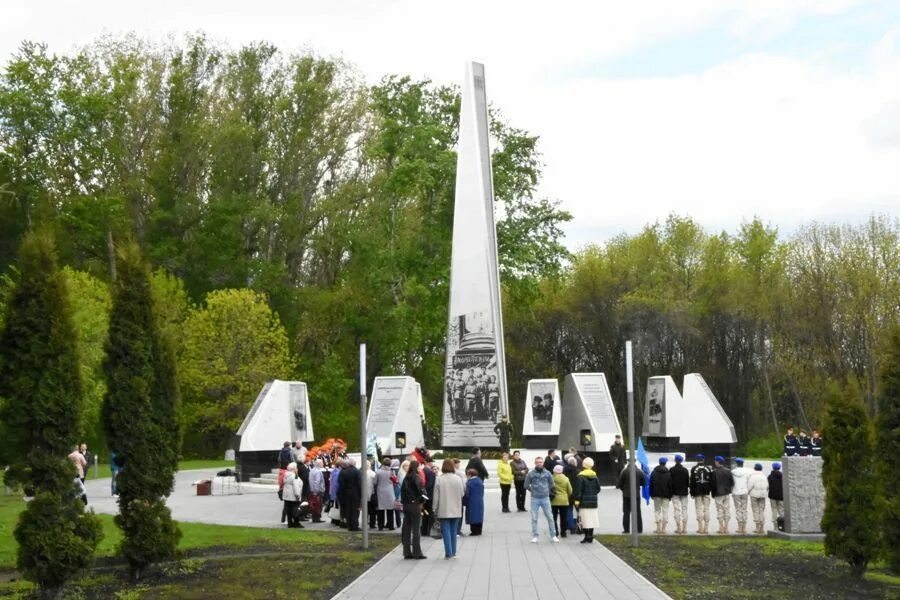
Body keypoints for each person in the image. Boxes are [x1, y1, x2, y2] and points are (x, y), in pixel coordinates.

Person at [433, 459, 464, 559]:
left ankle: (449, 553)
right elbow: (462, 493)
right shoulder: (458, 478)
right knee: (454, 531)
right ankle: (453, 552)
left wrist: (434, 509)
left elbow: (436, 496)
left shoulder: (439, 479)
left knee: (445, 531)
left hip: (444, 509)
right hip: (456, 509)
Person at [525, 456, 558, 543]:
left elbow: (552, 484)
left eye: (541, 462)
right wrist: (532, 490)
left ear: (543, 463)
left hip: (545, 498)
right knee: (534, 518)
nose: (539, 463)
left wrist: (547, 490)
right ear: (535, 463)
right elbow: (526, 485)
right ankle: (535, 536)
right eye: (538, 462)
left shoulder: (547, 473)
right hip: (535, 498)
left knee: (550, 517)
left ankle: (553, 535)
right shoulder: (531, 474)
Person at [400, 460, 427, 559]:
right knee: (416, 529)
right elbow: (421, 492)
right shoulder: (416, 478)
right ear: (417, 467)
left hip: (406, 505)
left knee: (406, 529)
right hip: (414, 505)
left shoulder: (406, 478)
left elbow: (402, 492)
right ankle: (417, 552)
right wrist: (421, 501)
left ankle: (406, 552)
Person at [573, 456, 601, 543]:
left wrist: (577, 501)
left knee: (585, 520)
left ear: (583, 465)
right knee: (592, 520)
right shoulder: (595, 476)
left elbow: (578, 490)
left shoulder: (580, 476)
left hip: (583, 502)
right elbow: (598, 489)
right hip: (593, 502)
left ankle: (586, 536)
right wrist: (592, 494)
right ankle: (591, 536)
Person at [618, 459, 646, 534]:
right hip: (636, 495)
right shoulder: (639, 471)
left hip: (626, 495)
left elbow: (620, 483)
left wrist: (624, 489)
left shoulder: (624, 471)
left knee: (626, 512)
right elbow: (644, 483)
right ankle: (639, 529)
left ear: (628, 462)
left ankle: (626, 529)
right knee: (637, 512)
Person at [649, 457, 674, 534]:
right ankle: (664, 528)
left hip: (656, 495)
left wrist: (651, 494)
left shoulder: (653, 473)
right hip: (666, 495)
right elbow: (670, 485)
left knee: (657, 511)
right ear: (665, 463)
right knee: (665, 511)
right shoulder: (668, 473)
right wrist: (670, 495)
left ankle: (658, 527)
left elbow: (651, 484)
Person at [690, 454, 713, 534]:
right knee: (706, 509)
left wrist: (692, 493)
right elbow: (711, 481)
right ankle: (706, 528)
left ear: (697, 460)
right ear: (703, 459)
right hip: (706, 490)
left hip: (697, 491)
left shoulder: (694, 468)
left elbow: (692, 482)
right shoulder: (708, 468)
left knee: (699, 509)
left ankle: (700, 528)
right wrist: (710, 490)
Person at [711, 456, 734, 534]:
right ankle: (726, 528)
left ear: (717, 462)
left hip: (718, 493)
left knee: (720, 511)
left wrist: (713, 494)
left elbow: (713, 485)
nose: (715, 462)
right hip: (726, 493)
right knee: (726, 510)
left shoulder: (714, 472)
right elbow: (732, 483)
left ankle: (721, 528)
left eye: (715, 461)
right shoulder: (728, 471)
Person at [338, 458, 362, 532]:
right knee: (355, 510)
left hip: (346, 493)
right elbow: (359, 484)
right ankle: (355, 525)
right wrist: (361, 494)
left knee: (348, 510)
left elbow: (341, 484)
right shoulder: (357, 472)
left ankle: (349, 525)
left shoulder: (343, 472)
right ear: (354, 464)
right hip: (356, 494)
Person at [550, 464, 573, 538]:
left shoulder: (551, 479)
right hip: (564, 501)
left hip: (554, 501)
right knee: (563, 517)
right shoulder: (566, 479)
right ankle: (563, 532)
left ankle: (555, 532)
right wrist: (566, 496)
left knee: (554, 517)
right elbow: (570, 490)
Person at [670, 454, 690, 535]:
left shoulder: (672, 470)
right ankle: (684, 528)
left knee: (676, 509)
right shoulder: (685, 470)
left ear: (675, 460)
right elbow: (687, 482)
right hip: (684, 492)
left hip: (675, 492)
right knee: (684, 509)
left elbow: (670, 482)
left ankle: (678, 527)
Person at [747, 463, 769, 534]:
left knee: (755, 510)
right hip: (763, 495)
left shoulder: (752, 476)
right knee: (761, 510)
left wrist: (748, 492)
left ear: (754, 468)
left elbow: (750, 486)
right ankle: (762, 527)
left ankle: (757, 527)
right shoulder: (764, 476)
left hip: (754, 495)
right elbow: (767, 486)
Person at [375, 458, 396, 530]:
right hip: (390, 491)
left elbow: (375, 482)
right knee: (390, 509)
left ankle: (380, 526)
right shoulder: (391, 472)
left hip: (381, 491)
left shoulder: (378, 472)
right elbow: (395, 481)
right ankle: (391, 526)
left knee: (381, 509)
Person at [731, 457, 751, 535]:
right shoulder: (747, 472)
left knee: (738, 509)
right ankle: (744, 527)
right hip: (744, 492)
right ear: (743, 464)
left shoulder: (733, 472)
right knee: (744, 509)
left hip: (736, 492)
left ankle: (739, 527)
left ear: (736, 464)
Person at [464, 468, 485, 535]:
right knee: (479, 515)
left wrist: (464, 501)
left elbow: (467, 493)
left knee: (472, 516)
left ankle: (474, 531)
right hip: (479, 501)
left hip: (471, 501)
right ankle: (479, 530)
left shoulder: (469, 483)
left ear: (470, 475)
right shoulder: (480, 481)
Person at [282, 463, 304, 528]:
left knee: (289, 510)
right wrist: (298, 496)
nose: (297, 469)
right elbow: (296, 487)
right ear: (294, 469)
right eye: (296, 468)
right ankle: (296, 523)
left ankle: (290, 523)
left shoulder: (286, 475)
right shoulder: (294, 476)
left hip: (287, 496)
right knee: (295, 509)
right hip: (293, 497)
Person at [420, 458, 437, 537]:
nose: (432, 464)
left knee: (424, 514)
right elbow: (430, 485)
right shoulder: (431, 472)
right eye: (431, 462)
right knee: (429, 515)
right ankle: (427, 530)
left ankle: (423, 530)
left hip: (423, 496)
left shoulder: (422, 470)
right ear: (428, 463)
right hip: (429, 497)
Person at [768, 462, 784, 531]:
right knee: (781, 510)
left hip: (772, 496)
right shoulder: (783, 476)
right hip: (781, 496)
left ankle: (775, 526)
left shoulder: (770, 476)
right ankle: (782, 524)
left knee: (774, 510)